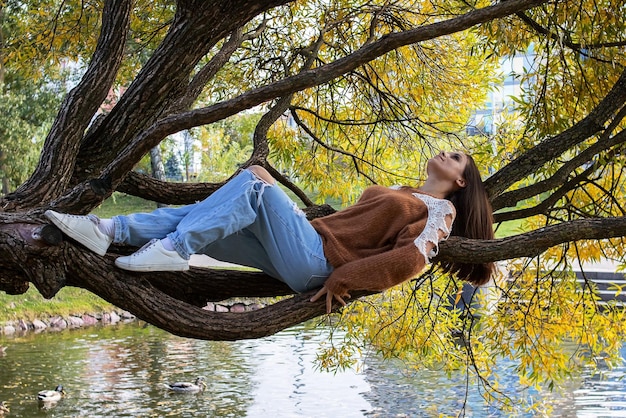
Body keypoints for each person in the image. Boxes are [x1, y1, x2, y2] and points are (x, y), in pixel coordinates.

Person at [45, 151, 494, 313]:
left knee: (257, 178)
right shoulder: (403, 191)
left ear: (460, 183)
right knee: (205, 212)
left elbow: (410, 261)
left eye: (456, 158)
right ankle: (108, 230)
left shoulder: (439, 213)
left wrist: (344, 280)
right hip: (303, 244)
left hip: (317, 261)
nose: (446, 153)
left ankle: (176, 248)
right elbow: (350, 228)